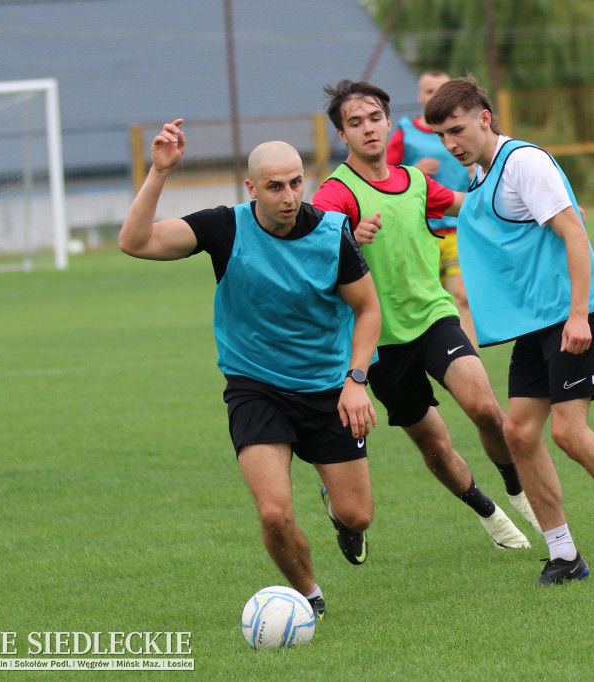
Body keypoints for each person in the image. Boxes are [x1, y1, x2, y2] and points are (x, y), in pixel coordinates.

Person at [425, 76, 594, 585]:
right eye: (441, 135)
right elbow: (488, 218)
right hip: (538, 324)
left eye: (456, 129)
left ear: (484, 117)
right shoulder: (482, 176)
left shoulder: (521, 161)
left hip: (569, 319)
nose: (450, 143)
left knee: (569, 432)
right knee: (519, 432)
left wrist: (580, 313)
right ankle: (564, 554)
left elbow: (573, 231)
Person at [119, 119, 382, 620]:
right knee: (274, 513)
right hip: (255, 386)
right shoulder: (225, 226)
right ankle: (308, 597)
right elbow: (136, 241)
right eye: (275, 186)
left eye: (296, 182)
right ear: (251, 188)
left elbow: (368, 310)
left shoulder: (331, 233)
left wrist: (356, 380)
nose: (288, 196)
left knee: (358, 514)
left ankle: (337, 508)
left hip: (329, 387)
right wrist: (158, 172)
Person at [312, 79, 538, 550]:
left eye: (375, 118)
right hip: (381, 344)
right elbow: (310, 251)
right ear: (342, 134)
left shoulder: (414, 181)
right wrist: (349, 233)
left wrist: (535, 205)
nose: (368, 128)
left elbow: (474, 207)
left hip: (435, 317)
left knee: (485, 409)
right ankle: (490, 515)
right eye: (355, 122)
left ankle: (520, 493)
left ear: (388, 122)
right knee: (434, 446)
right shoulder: (335, 194)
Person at [387, 69, 477, 349]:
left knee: (462, 295)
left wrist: (478, 170)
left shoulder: (466, 129)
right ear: (419, 95)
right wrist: (412, 171)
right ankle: (437, 354)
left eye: (440, 90)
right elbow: (383, 175)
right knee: (431, 301)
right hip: (421, 231)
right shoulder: (405, 131)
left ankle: (469, 355)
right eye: (428, 91)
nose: (434, 96)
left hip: (458, 227)